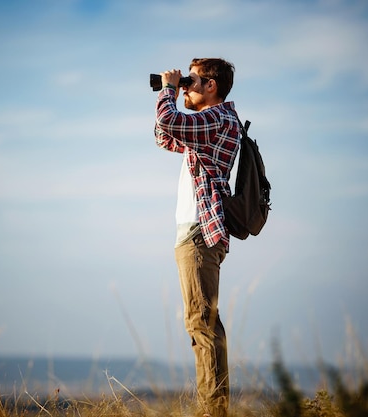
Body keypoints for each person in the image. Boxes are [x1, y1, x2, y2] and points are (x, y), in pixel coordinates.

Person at [153, 58, 239, 417]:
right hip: (195, 233)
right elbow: (164, 136)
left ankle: (213, 411)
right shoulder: (206, 125)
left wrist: (170, 91)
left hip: (200, 234)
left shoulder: (217, 118)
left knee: (201, 323)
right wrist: (172, 94)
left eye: (193, 82)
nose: (187, 88)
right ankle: (213, 407)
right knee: (202, 322)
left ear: (211, 87)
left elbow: (167, 120)